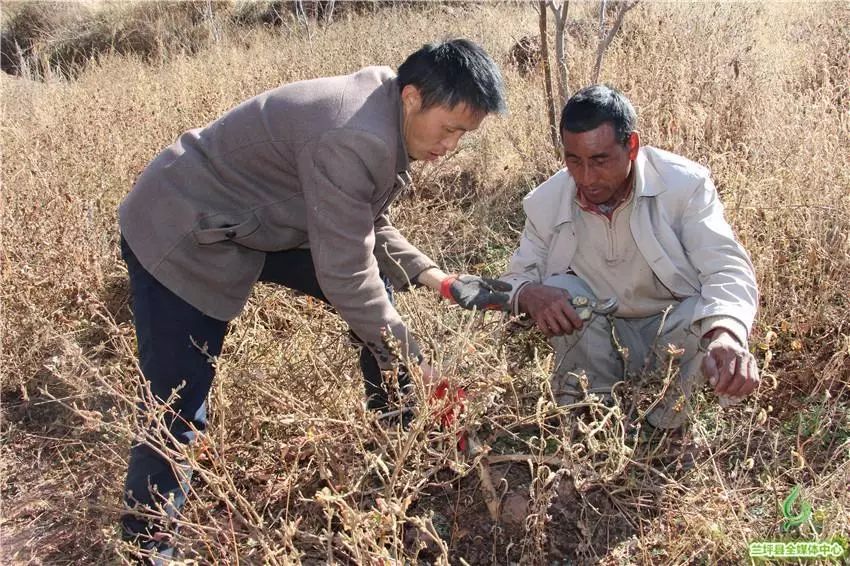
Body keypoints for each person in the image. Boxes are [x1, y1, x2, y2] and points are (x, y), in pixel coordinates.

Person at [117, 39, 510, 559]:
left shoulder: (385, 107)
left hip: (257, 218)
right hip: (183, 227)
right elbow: (346, 273)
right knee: (179, 407)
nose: (451, 146)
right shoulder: (354, 135)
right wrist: (419, 361)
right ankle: (147, 547)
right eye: (451, 129)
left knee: (381, 306)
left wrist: (435, 278)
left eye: (465, 135)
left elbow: (364, 221)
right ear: (414, 97)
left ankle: (399, 448)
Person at [500, 85, 759, 432]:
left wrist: (727, 334)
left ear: (632, 146)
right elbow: (514, 280)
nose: (586, 178)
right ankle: (594, 412)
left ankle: (669, 422)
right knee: (560, 291)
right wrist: (531, 294)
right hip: (599, 338)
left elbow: (726, 268)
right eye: (574, 161)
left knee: (708, 313)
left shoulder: (683, 185)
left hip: (671, 333)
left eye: (600, 160)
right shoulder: (546, 201)